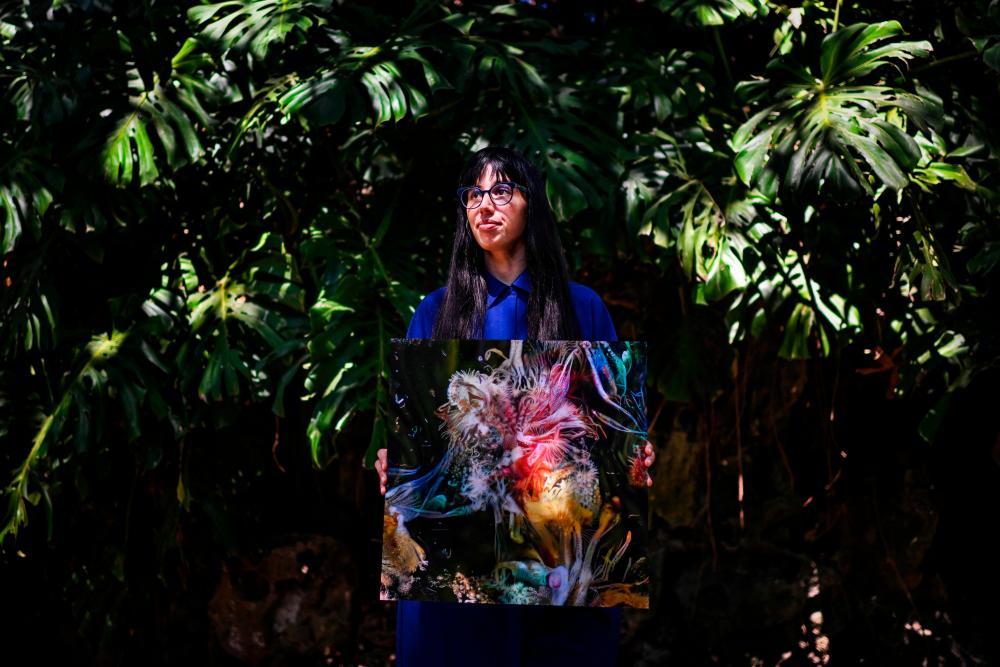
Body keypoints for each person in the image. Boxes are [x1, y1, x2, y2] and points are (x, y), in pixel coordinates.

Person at [374, 146, 655, 666]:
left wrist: (633, 456)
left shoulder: (582, 307)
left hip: (554, 557)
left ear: (532, 205)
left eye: (502, 191)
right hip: (461, 563)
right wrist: (397, 459)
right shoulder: (435, 311)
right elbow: (415, 426)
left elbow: (613, 420)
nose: (485, 205)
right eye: (473, 195)